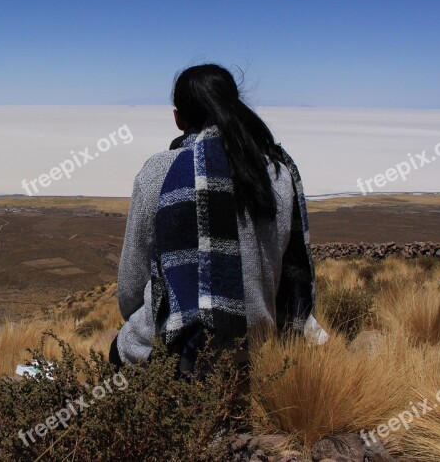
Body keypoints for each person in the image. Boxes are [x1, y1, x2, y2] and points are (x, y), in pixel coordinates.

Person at [110, 64, 327, 372]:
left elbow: (130, 292)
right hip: (257, 348)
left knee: (119, 353)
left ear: (178, 118)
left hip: (175, 352)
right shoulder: (277, 171)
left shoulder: (158, 172)